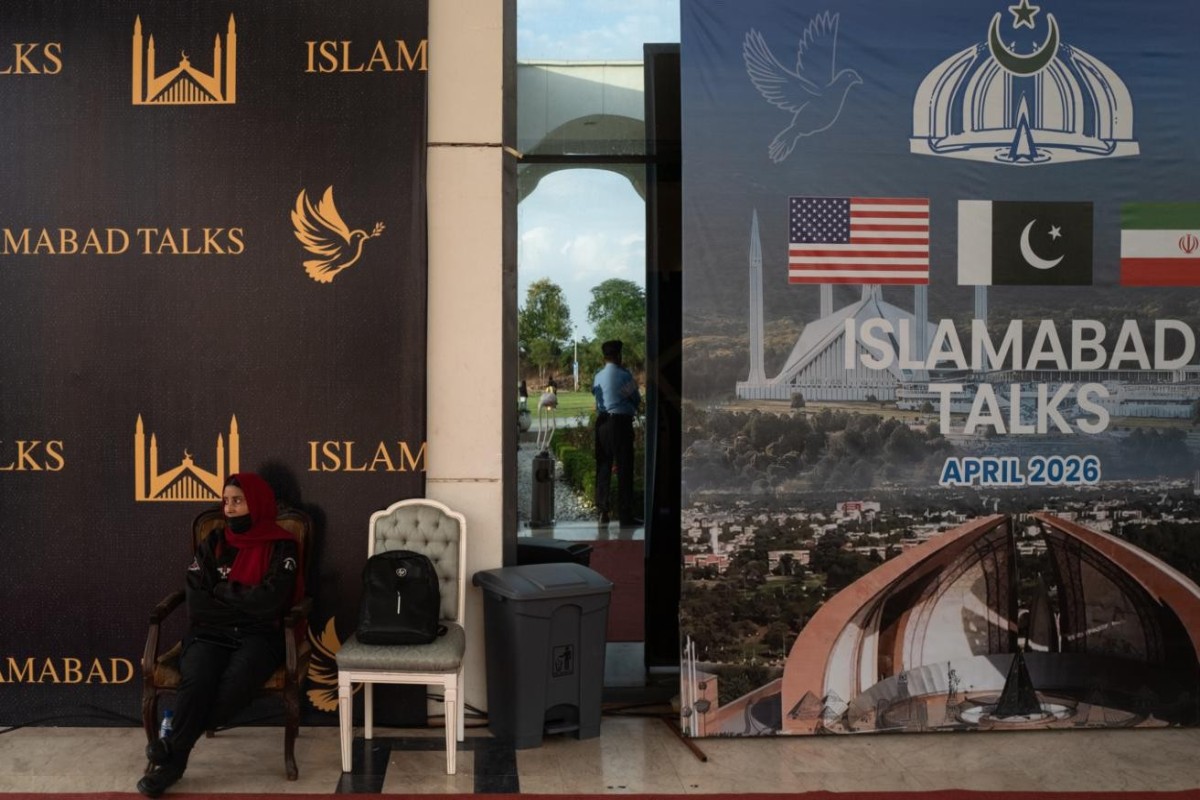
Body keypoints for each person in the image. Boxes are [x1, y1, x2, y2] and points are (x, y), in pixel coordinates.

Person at [137, 472, 303, 798]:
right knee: (197, 680)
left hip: (259, 636)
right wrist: (244, 602)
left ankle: (172, 749)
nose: (229, 508)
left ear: (256, 503)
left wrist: (222, 590)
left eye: (237, 501)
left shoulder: (282, 545)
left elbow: (271, 602)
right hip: (209, 633)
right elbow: (197, 603)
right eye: (226, 501)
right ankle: (173, 765)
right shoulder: (213, 542)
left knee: (234, 686)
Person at [592, 339, 642, 526]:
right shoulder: (625, 376)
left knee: (603, 467)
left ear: (604, 357)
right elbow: (635, 399)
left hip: (603, 424)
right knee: (625, 468)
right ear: (619, 356)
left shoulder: (597, 376)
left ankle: (602, 511)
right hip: (621, 424)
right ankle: (625, 515)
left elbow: (597, 398)